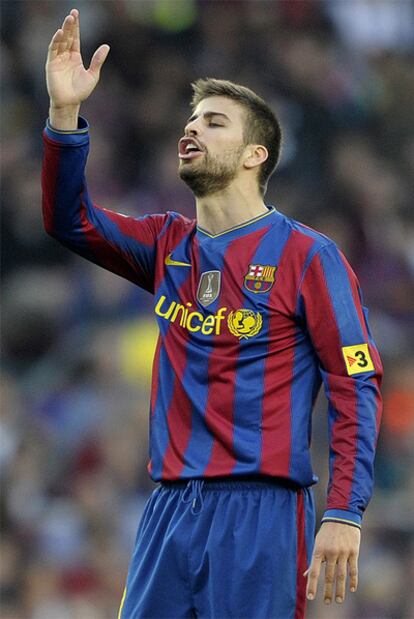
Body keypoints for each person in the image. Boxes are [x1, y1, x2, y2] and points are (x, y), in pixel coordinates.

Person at [42, 9, 383, 619]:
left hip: (264, 511)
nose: (190, 130)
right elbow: (71, 220)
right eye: (190, 120)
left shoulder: (308, 256)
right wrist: (65, 116)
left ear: (256, 154)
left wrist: (343, 510)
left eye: (214, 122)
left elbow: (354, 382)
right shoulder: (166, 243)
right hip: (168, 509)